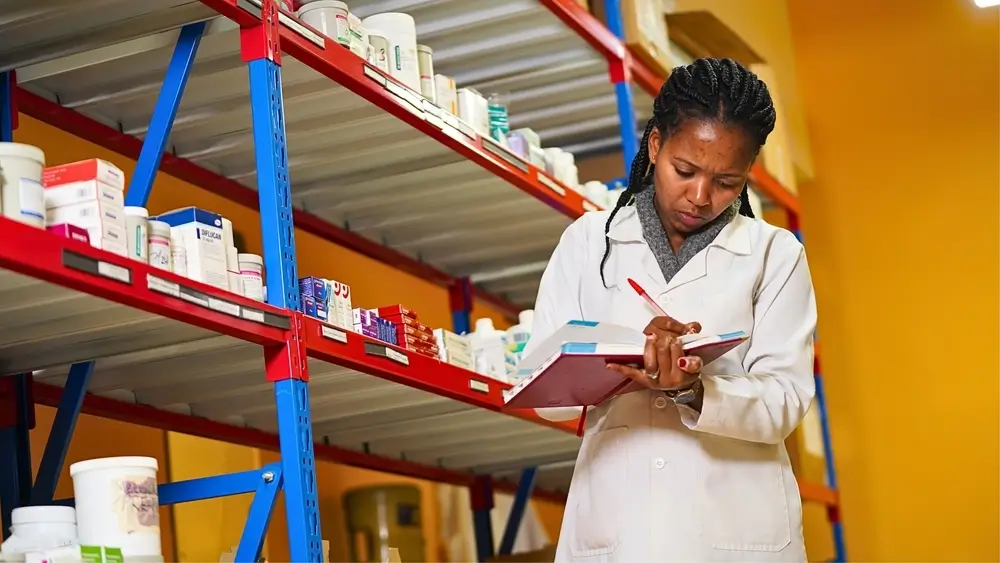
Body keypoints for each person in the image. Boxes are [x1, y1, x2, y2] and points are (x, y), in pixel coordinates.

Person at [521, 58, 816, 562]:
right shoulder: (590, 242)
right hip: (621, 528)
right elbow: (543, 390)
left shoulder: (775, 253)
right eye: (685, 170)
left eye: (727, 181)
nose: (700, 196)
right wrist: (621, 364)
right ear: (655, 145)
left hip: (737, 531)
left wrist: (693, 389)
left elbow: (785, 401)